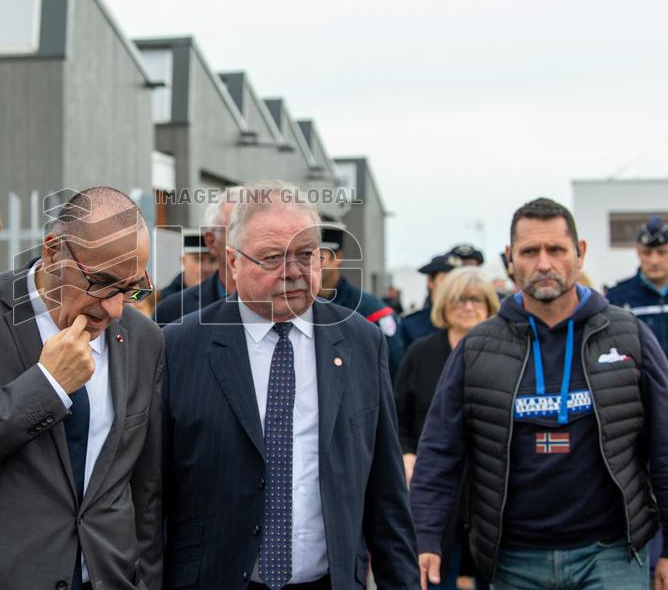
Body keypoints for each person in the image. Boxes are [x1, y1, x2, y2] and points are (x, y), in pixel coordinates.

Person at [411, 197, 668, 590]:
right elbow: (440, 450)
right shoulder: (478, 348)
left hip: (611, 554)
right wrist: (424, 533)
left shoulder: (628, 335)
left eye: (556, 249)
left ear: (580, 253)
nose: (543, 263)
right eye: (529, 251)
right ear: (510, 258)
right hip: (513, 561)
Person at [0, 187, 162, 589]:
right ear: (54, 252)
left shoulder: (144, 339)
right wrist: (47, 386)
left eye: (131, 289)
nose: (114, 309)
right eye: (102, 284)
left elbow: (144, 488)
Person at [163, 181, 418, 589]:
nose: (294, 272)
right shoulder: (179, 346)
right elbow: (152, 493)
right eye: (272, 258)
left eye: (305, 255)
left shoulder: (360, 341)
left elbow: (386, 492)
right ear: (232, 262)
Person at [394, 266, 499, 588]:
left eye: (476, 300)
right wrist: (407, 454)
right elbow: (399, 416)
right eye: (459, 299)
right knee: (437, 571)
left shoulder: (502, 352)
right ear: (444, 305)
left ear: (490, 306)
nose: (468, 307)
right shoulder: (422, 352)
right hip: (437, 480)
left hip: (490, 482)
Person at [607, 216, 668, 418]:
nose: (654, 260)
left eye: (661, 252)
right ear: (637, 252)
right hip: (643, 407)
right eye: (647, 252)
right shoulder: (618, 298)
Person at [318, 223, 404, 380]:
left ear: (337, 257)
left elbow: (392, 371)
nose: (308, 263)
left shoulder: (370, 311)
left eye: (318, 256)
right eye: (303, 255)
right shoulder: (293, 307)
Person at [154, 187, 240, 325]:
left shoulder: (276, 300)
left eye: (211, 261)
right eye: (198, 259)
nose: (205, 268)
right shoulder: (169, 308)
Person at [399, 252, 462, 348]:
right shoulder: (412, 324)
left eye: (458, 280)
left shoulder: (469, 321)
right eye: (446, 279)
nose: (453, 286)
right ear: (430, 281)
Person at [158, 230, 219, 300]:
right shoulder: (165, 301)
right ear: (183, 261)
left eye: (213, 260)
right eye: (199, 259)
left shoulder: (226, 297)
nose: (206, 268)